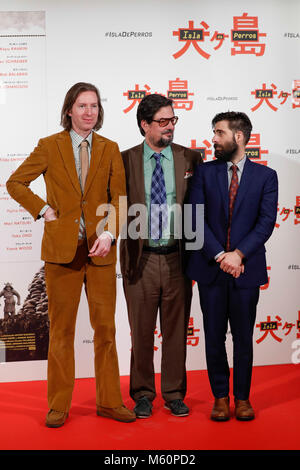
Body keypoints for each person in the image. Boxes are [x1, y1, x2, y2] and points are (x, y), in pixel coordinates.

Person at [6, 82, 135, 427]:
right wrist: (43, 209)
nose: (89, 112)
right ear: (69, 110)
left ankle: (109, 401)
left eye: (94, 105)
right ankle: (59, 405)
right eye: (82, 106)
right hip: (61, 254)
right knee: (60, 331)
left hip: (101, 253)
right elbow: (15, 182)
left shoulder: (109, 148)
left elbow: (119, 199)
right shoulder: (50, 146)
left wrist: (109, 233)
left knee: (105, 330)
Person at [187, 111, 278, 421]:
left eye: (219, 132)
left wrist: (238, 255)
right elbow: (194, 219)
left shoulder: (266, 177)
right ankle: (220, 397)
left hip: (246, 269)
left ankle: (242, 398)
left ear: (238, 137)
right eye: (214, 132)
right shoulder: (204, 172)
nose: (213, 139)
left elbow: (266, 223)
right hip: (210, 269)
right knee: (213, 335)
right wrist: (220, 256)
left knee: (242, 337)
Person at [120, 94, 201, 418]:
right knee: (140, 332)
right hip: (140, 260)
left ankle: (173, 393)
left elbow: (200, 208)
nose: (170, 127)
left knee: (176, 331)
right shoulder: (123, 159)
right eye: (163, 121)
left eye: (173, 120)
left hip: (177, 259)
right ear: (145, 124)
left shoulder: (190, 158)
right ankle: (142, 393)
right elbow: (112, 208)